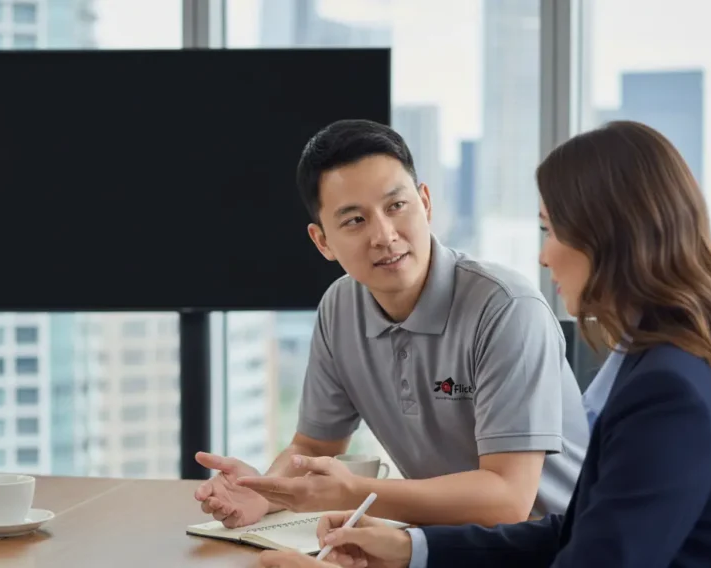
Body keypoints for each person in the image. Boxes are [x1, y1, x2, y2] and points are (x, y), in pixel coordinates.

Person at [255, 120, 711, 568]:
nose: (544, 256)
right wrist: (408, 548)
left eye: (551, 231)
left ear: (609, 240)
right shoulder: (658, 365)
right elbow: (571, 535)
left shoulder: (668, 391)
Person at [194, 119, 590, 529]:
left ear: (426, 203)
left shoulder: (506, 308)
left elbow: (507, 501)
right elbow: (313, 446)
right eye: (354, 220)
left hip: (556, 546)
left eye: (396, 206)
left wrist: (356, 494)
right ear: (322, 241)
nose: (384, 235)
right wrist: (266, 492)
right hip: (446, 544)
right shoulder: (340, 307)